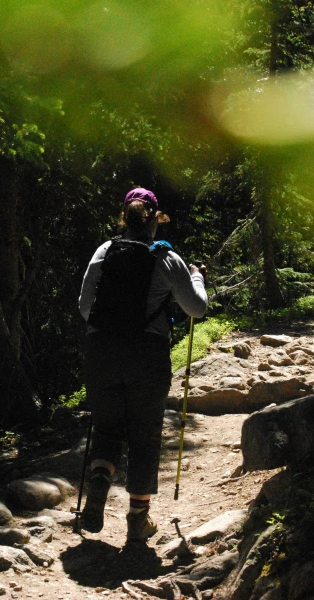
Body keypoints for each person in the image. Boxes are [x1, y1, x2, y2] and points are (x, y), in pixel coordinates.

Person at [78, 187, 208, 543]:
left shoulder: (104, 252)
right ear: (155, 219)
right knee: (144, 433)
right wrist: (197, 276)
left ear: (124, 216)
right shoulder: (167, 258)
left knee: (106, 428)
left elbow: (84, 306)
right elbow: (196, 309)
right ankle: (138, 518)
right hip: (147, 355)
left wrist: (110, 327)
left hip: (102, 350)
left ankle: (101, 477)